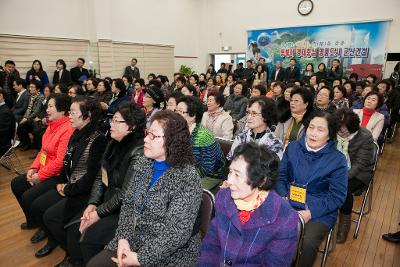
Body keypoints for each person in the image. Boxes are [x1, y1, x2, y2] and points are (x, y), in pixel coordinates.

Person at [87, 110, 202, 267]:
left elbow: (176, 233)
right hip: (135, 238)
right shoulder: (144, 163)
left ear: (172, 141)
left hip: (168, 253)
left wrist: (140, 258)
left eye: (153, 136)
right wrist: (123, 239)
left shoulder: (187, 177)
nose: (146, 139)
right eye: (147, 133)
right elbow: (128, 205)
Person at [58, 103, 146, 265]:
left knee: (87, 236)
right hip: (107, 202)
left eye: (116, 121)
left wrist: (98, 213)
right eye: (112, 120)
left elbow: (125, 194)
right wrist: (93, 203)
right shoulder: (113, 143)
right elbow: (100, 176)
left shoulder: (138, 151)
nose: (110, 125)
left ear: (131, 126)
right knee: (73, 228)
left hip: (124, 210)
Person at [198, 143, 298, 266]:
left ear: (261, 181)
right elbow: (211, 245)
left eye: (237, 175)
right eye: (230, 172)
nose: (229, 181)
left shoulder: (284, 217)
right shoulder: (224, 197)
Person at [31, 97, 107, 259]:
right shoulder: (77, 133)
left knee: (51, 216)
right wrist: (61, 183)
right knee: (38, 206)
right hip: (69, 184)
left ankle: (71, 255)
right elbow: (66, 163)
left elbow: (92, 177)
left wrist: (67, 188)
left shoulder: (97, 140)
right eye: (70, 112)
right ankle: (59, 243)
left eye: (73, 113)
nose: (69, 116)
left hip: (83, 192)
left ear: (87, 117)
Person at [276, 111, 348, 267]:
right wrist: (283, 197)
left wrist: (310, 212)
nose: (313, 133)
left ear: (329, 135)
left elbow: (336, 197)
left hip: (318, 211)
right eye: (311, 127)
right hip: (287, 200)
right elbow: (281, 177)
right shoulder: (293, 147)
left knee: (307, 243)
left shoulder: (338, 160)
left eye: (320, 130)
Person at [10, 94, 74, 231]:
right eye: (48, 106)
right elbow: (43, 151)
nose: (47, 110)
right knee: (17, 183)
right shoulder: (52, 125)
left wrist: (40, 176)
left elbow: (60, 162)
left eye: (51, 106)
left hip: (56, 174)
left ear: (62, 111)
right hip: (45, 170)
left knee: (28, 196)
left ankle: (44, 229)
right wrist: (33, 169)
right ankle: (33, 220)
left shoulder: (68, 129)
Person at [334, 108, 374, 243]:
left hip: (358, 174)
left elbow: (360, 164)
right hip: (335, 170)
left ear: (352, 127)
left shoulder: (365, 136)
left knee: (343, 189)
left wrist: (340, 178)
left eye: (343, 129)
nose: (340, 132)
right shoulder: (334, 132)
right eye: (338, 128)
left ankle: (344, 225)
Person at [176, 96, 226, 191]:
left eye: (181, 112)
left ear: (193, 115)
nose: (175, 115)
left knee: (181, 191)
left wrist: (182, 176)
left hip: (209, 175)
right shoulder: (177, 129)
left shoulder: (203, 137)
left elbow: (207, 168)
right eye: (176, 110)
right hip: (187, 169)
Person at [16, 80, 45, 151]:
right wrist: (24, 117)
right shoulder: (31, 96)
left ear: (38, 89)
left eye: (32, 87)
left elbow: (36, 111)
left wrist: (26, 118)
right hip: (30, 117)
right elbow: (28, 109)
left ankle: (27, 144)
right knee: (18, 121)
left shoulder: (41, 97)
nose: (30, 89)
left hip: (36, 117)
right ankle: (23, 142)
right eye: (30, 87)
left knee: (22, 125)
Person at [0, 89, 15, 156]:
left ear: (1, 96)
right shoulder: (2, 109)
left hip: (3, 144)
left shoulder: (5, 111)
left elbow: (3, 131)